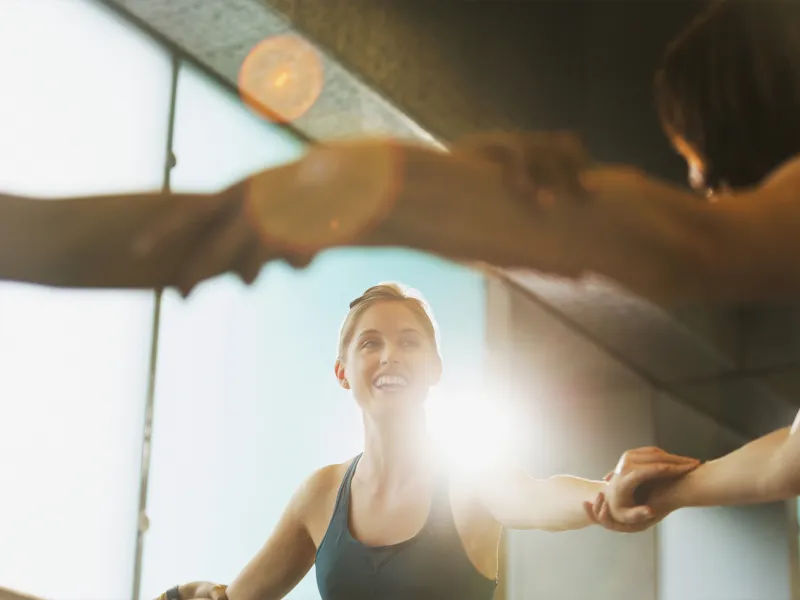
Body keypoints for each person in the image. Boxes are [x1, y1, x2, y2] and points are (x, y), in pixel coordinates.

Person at [156, 282, 698, 600]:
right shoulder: (320, 495)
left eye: (409, 343)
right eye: (371, 343)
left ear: (435, 368)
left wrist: (605, 494)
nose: (390, 355)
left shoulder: (472, 475)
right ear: (343, 371)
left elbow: (536, 496)